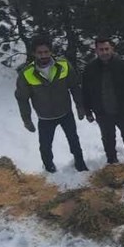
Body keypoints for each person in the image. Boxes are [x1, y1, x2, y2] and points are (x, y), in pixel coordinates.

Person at [14, 33, 88, 173]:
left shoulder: (64, 65)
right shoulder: (26, 73)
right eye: (40, 53)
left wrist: (80, 106)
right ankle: (49, 168)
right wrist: (27, 119)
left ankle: (80, 163)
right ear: (34, 53)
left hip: (65, 112)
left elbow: (74, 86)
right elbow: (22, 99)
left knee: (74, 141)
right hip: (45, 117)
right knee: (45, 146)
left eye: (46, 51)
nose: (43, 55)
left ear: (51, 51)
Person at [81, 36, 124, 167]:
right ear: (96, 51)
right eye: (101, 49)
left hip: (123, 109)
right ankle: (111, 159)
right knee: (108, 138)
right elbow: (85, 92)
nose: (104, 52)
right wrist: (87, 111)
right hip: (102, 111)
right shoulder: (90, 69)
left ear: (112, 49)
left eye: (106, 49)